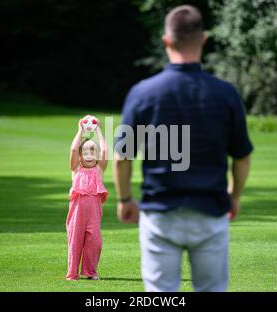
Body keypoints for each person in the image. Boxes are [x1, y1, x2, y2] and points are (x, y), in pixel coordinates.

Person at [113, 5, 253, 291]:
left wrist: (125, 198)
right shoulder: (226, 94)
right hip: (210, 213)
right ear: (203, 39)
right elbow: (241, 157)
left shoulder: (142, 93)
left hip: (160, 214)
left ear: (166, 41)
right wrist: (234, 197)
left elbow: (122, 157)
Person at [66, 118, 108, 280]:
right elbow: (73, 149)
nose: (89, 155)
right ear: (80, 156)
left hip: (94, 214)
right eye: (85, 152)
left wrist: (98, 130)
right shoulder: (76, 169)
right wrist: (80, 131)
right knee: (75, 241)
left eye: (93, 152)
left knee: (94, 242)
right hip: (77, 214)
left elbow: (104, 150)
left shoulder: (99, 169)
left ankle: (90, 272)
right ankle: (72, 273)